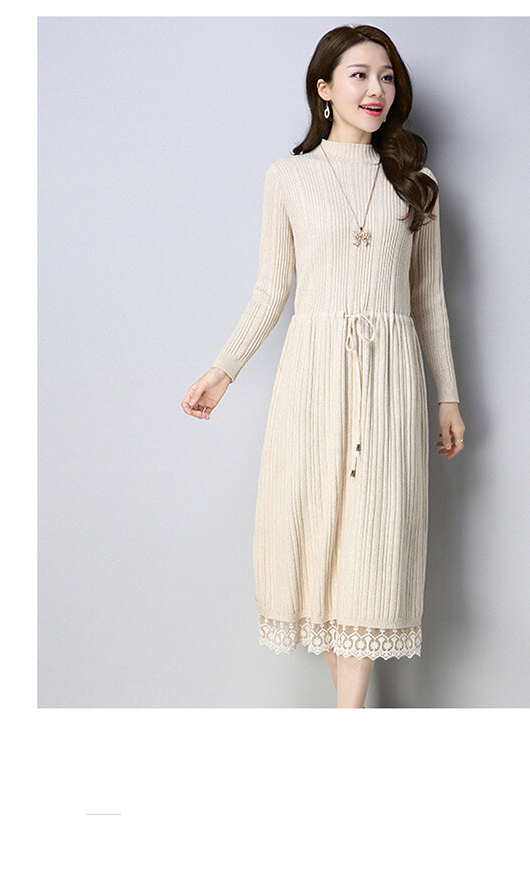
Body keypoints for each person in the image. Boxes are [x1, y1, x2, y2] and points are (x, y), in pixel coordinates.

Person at [181, 24, 465, 708]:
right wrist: (224, 369)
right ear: (325, 88)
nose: (376, 89)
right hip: (312, 375)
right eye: (360, 74)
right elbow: (270, 288)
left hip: (391, 377)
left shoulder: (418, 184)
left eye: (387, 77)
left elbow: (428, 300)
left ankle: (348, 720)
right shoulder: (290, 177)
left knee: (374, 537)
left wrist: (448, 397)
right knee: (318, 533)